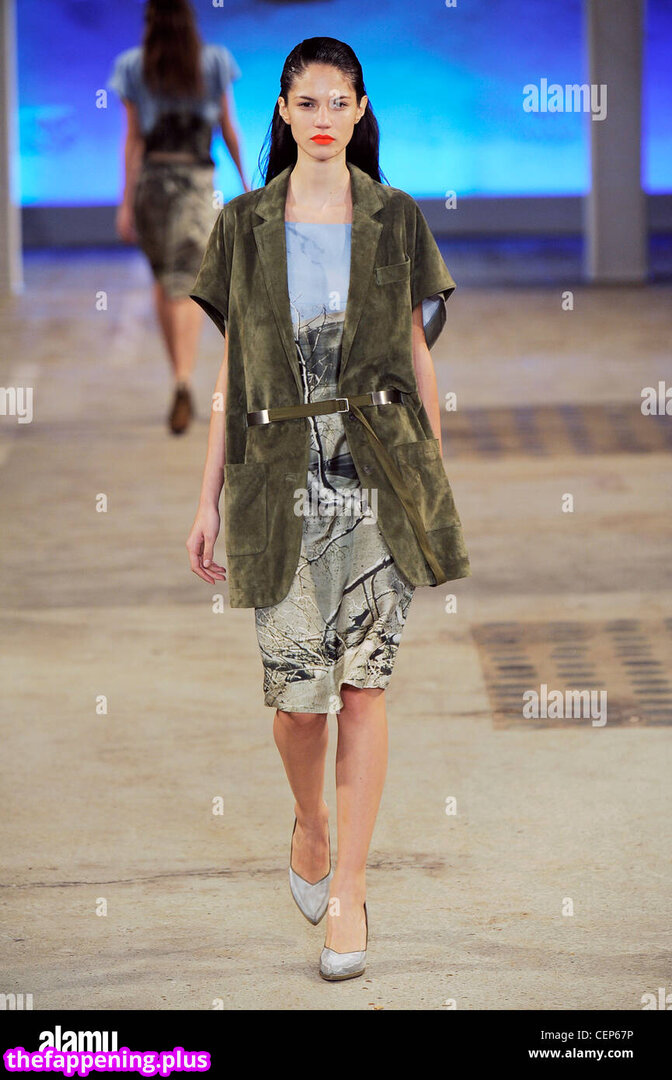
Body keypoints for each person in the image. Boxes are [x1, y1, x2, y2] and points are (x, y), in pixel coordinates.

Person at [186, 37, 471, 980]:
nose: (321, 118)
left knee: (363, 688)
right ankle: (310, 823)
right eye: (304, 102)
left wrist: (433, 483)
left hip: (380, 475)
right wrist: (205, 500)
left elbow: (419, 358)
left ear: (360, 110)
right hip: (276, 484)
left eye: (337, 102)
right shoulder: (242, 224)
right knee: (298, 704)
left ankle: (349, 889)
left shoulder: (396, 218)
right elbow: (232, 374)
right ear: (281, 110)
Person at [107, 0, 248, 434]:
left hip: (152, 185)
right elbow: (228, 128)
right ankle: (185, 379)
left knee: (165, 280)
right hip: (196, 183)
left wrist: (126, 203)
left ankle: (179, 376)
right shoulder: (214, 61)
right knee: (185, 281)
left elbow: (133, 141)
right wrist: (247, 185)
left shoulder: (133, 66)